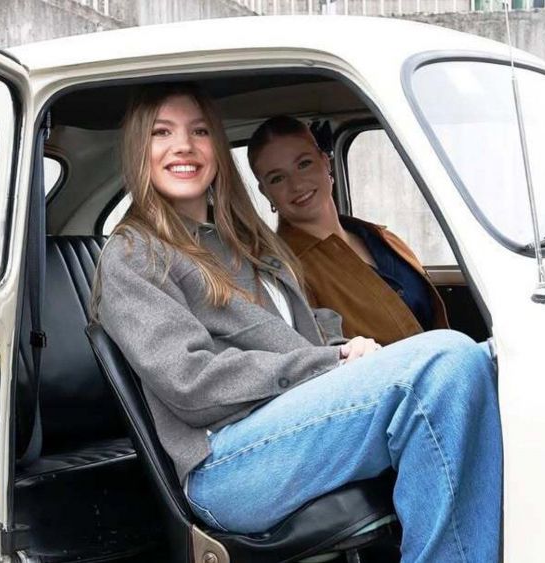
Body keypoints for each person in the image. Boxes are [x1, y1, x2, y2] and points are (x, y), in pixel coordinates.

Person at [91, 83, 502, 563]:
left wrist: (351, 348)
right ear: (138, 149)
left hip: (291, 426)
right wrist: (329, 363)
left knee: (496, 361)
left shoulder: (246, 241)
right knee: (444, 362)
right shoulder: (134, 253)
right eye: (162, 133)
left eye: (199, 131)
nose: (184, 145)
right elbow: (191, 383)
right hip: (225, 463)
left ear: (217, 147)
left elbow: (308, 329)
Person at [246, 116, 448, 345]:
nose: (297, 184)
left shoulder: (380, 237)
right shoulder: (285, 271)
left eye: (304, 164)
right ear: (265, 192)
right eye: (277, 178)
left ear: (326, 162)